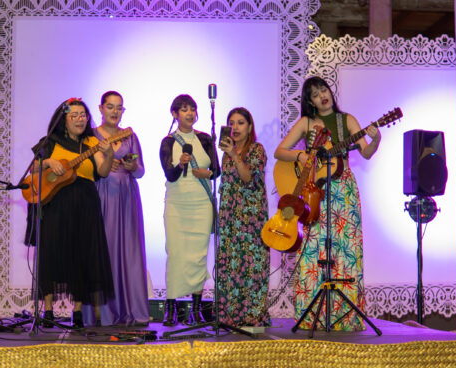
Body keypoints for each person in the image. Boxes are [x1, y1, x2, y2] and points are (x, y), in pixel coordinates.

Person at [274, 76, 381, 331]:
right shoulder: (306, 122)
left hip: (343, 190)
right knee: (314, 249)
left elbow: (365, 152)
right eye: (314, 94)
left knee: (344, 249)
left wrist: (376, 138)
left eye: (323, 89)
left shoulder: (347, 121)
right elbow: (280, 152)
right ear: (309, 102)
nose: (322, 95)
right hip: (313, 191)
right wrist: (301, 154)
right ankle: (313, 314)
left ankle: (344, 315)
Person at [27, 98, 115, 328]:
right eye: (74, 115)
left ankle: (77, 312)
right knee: (52, 253)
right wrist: (48, 162)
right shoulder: (51, 142)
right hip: (56, 202)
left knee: (82, 255)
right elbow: (33, 168)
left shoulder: (92, 142)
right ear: (63, 120)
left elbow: (104, 172)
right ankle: (47, 311)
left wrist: (110, 154)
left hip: (85, 203)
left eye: (83, 115)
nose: (79, 118)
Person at [83, 91, 149, 326]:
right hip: (101, 195)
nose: (115, 112)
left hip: (127, 197)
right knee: (105, 250)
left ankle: (132, 310)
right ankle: (104, 314)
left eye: (119, 107)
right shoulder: (90, 136)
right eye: (110, 107)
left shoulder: (130, 136)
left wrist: (132, 166)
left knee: (129, 251)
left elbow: (141, 172)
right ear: (100, 109)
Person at [159, 94, 220, 326]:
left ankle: (195, 308)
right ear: (175, 114)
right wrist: (181, 163)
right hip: (177, 204)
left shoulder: (205, 139)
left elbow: (216, 169)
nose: (190, 113)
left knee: (198, 257)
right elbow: (170, 175)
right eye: (184, 109)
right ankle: (171, 308)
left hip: (201, 203)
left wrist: (206, 173)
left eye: (192, 109)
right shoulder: (168, 142)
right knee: (175, 255)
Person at [217, 107, 271, 327]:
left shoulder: (257, 150)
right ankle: (230, 315)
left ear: (249, 127)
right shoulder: (225, 153)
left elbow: (248, 178)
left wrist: (234, 155)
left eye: (240, 122)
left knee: (252, 267)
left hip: (251, 219)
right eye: (231, 123)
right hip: (230, 218)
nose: (235, 127)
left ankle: (252, 315)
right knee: (230, 266)